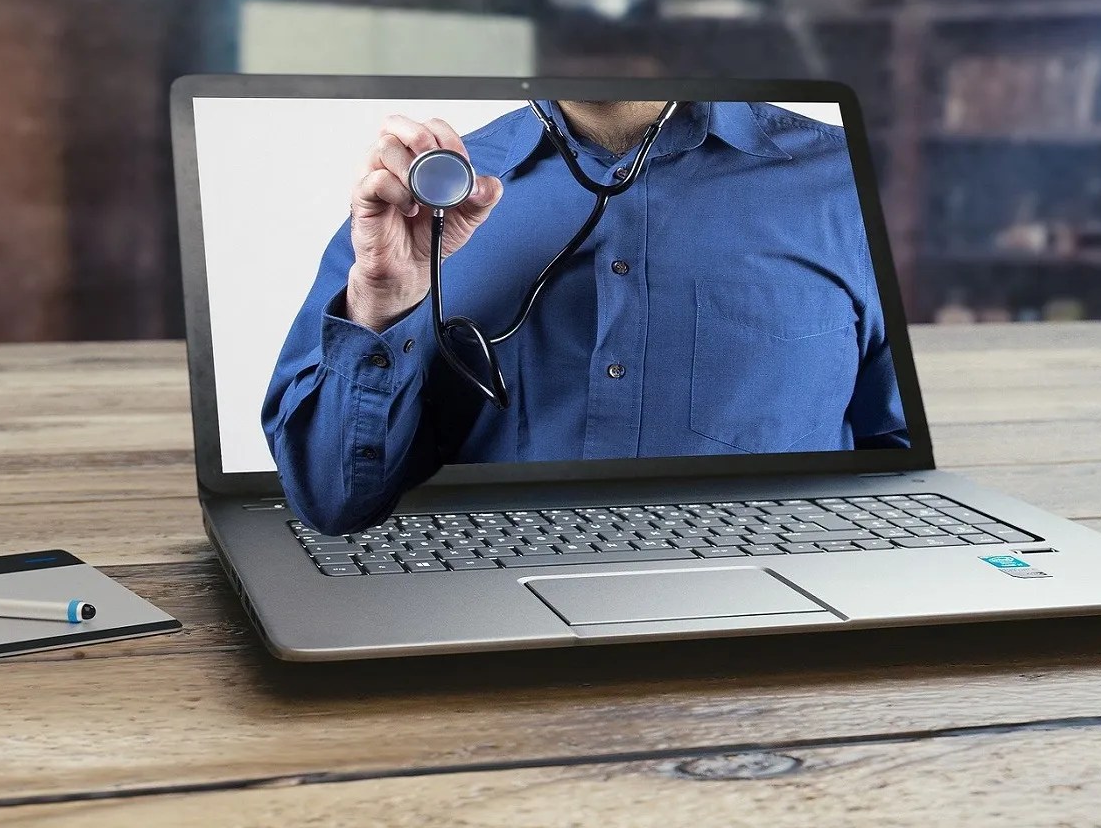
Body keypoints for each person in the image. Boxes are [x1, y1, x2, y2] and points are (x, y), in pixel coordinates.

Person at [264, 100, 908, 535]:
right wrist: (383, 300)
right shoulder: (419, 204)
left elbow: (906, 469)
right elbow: (332, 500)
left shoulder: (853, 183)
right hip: (493, 614)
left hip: (779, 620)